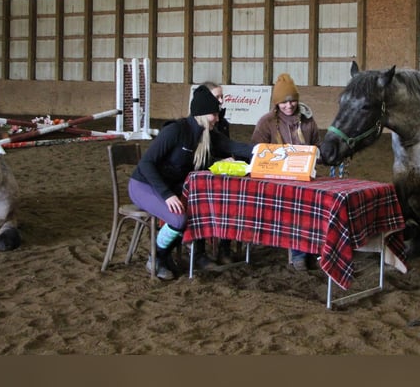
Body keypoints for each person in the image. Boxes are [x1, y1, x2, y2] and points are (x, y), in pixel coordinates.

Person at [128, 84, 255, 280]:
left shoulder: (207, 135)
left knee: (198, 210)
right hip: (145, 185)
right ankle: (157, 257)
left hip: (169, 186)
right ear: (203, 114)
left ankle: (169, 254)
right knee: (179, 219)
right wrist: (167, 195)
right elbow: (146, 163)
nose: (218, 119)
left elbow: (236, 147)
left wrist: (265, 152)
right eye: (214, 114)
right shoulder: (175, 130)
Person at [251, 73, 321, 271]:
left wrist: (316, 155)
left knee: (316, 205)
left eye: (292, 101)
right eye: (283, 102)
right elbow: (256, 149)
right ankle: (299, 253)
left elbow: (316, 144)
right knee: (294, 206)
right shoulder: (266, 122)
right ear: (276, 103)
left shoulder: (308, 121)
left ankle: (313, 247)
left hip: (306, 176)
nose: (289, 106)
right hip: (277, 180)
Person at [202, 81, 236, 266]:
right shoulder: (196, 126)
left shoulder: (223, 124)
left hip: (218, 178)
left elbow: (227, 149)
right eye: (217, 97)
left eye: (222, 97)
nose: (221, 101)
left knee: (231, 199)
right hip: (201, 179)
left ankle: (224, 247)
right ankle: (199, 252)